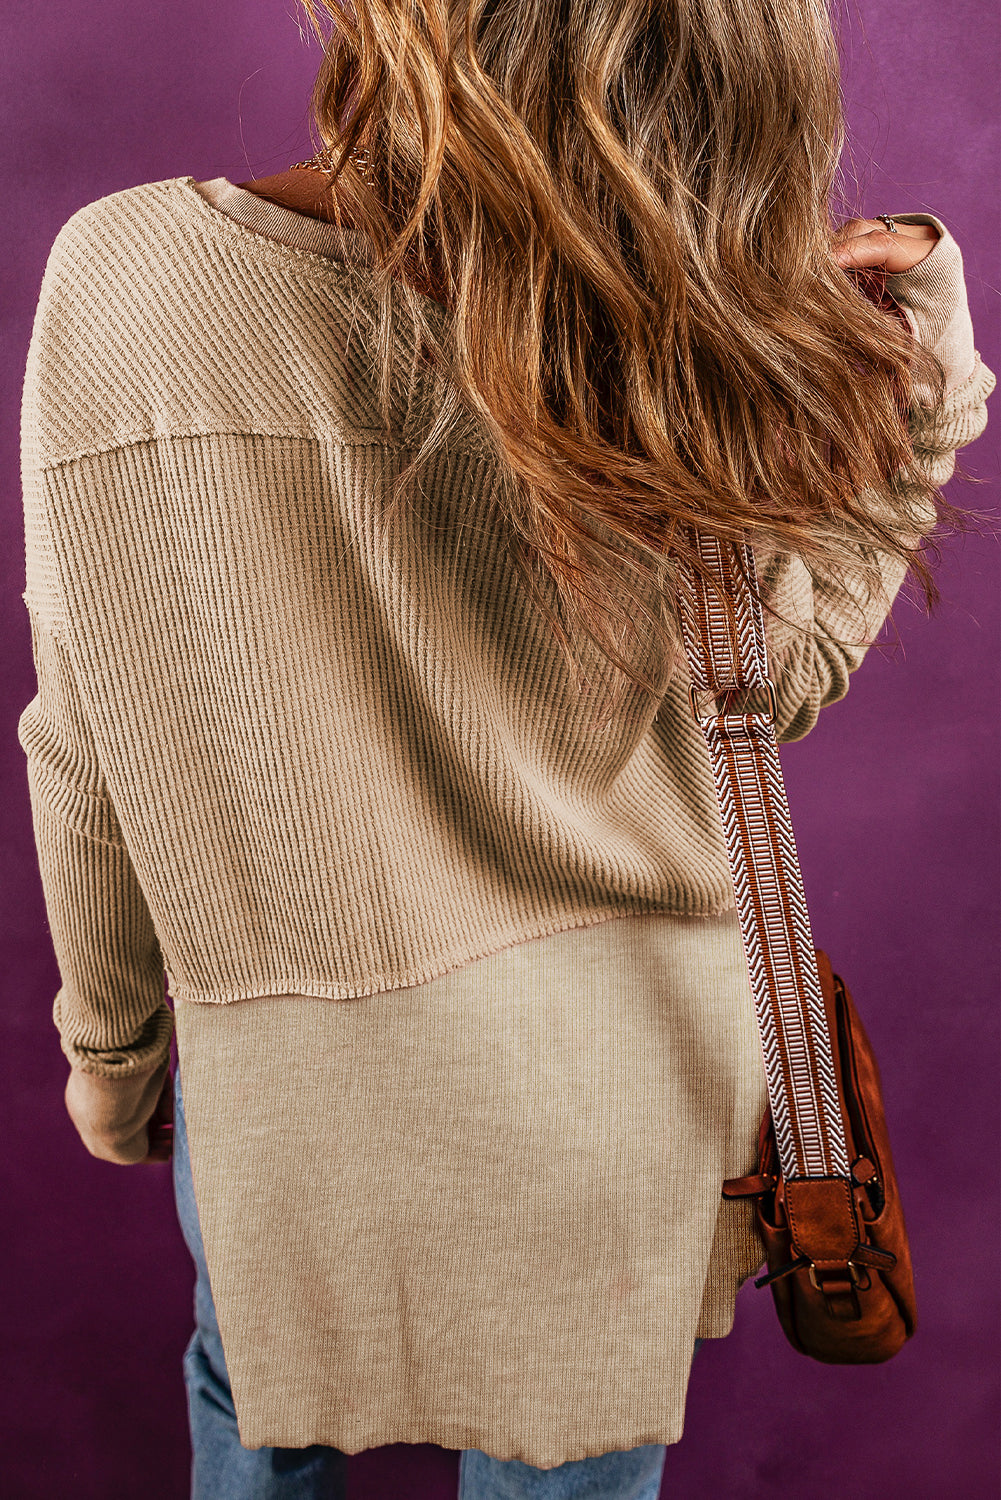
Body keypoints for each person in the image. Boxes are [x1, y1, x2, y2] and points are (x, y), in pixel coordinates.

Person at [19, 1, 995, 1496]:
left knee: (252, 1397)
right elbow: (776, 682)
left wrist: (111, 1049)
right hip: (622, 1072)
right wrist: (931, 362)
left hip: (287, 1069)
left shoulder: (126, 273)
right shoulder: (666, 333)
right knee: (573, 1463)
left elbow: (87, 725)